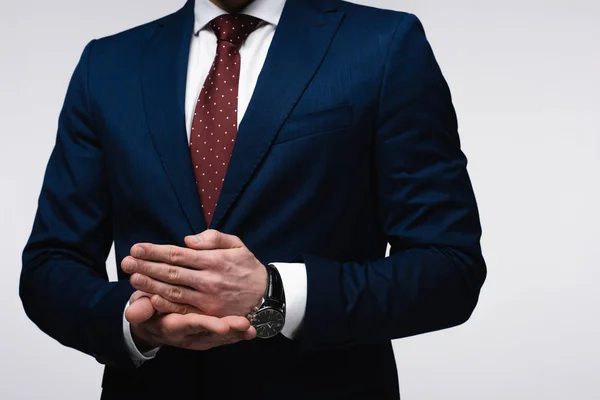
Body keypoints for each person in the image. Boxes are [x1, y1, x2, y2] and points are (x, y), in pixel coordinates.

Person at [20, 0, 487, 398]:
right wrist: (131, 323)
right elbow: (50, 265)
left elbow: (449, 266)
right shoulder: (107, 65)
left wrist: (274, 296)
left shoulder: (384, 45)